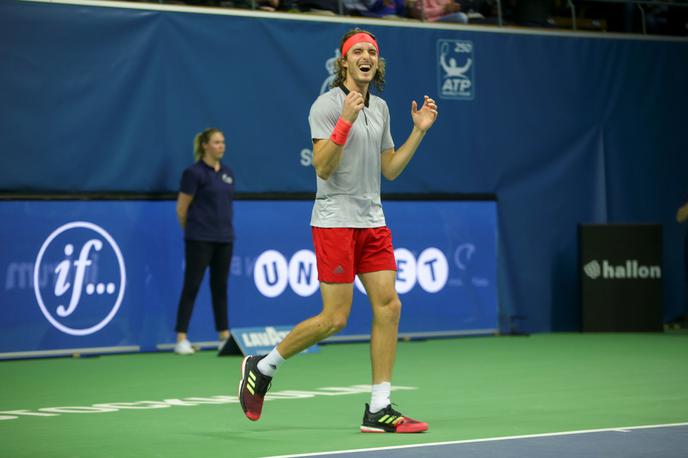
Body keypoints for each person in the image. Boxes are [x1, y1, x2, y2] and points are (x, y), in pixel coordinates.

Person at [238, 28, 438, 433]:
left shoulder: (380, 108)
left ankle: (379, 408)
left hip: (372, 220)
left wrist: (418, 131)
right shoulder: (326, 105)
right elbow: (323, 166)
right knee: (335, 318)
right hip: (334, 221)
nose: (366, 56)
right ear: (344, 62)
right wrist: (344, 121)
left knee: (390, 306)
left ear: (376, 65)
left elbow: (391, 170)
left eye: (372, 52)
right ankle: (262, 366)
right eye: (358, 51)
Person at [174, 128, 235, 355]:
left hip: (225, 239)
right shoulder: (193, 173)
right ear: (205, 146)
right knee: (192, 286)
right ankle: (181, 338)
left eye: (223, 142)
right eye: (217, 142)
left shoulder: (228, 173)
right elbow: (182, 208)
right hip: (199, 239)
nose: (221, 146)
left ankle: (223, 337)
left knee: (220, 288)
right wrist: (192, 231)